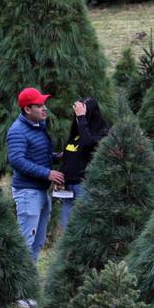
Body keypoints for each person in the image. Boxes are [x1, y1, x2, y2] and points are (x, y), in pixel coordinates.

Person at [7, 87, 64, 308]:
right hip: (28, 193)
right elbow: (17, 161)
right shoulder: (17, 131)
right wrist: (48, 173)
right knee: (26, 242)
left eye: (43, 104)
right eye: (39, 105)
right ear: (27, 108)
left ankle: (28, 287)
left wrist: (57, 158)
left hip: (41, 191)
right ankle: (18, 293)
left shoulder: (38, 126)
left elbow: (38, 155)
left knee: (38, 242)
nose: (44, 108)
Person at [56, 97, 110, 231]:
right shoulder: (77, 134)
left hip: (85, 188)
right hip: (69, 189)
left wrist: (81, 119)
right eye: (77, 114)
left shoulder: (101, 134)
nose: (78, 117)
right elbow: (69, 156)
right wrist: (61, 177)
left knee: (84, 231)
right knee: (67, 231)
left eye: (82, 113)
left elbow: (88, 146)